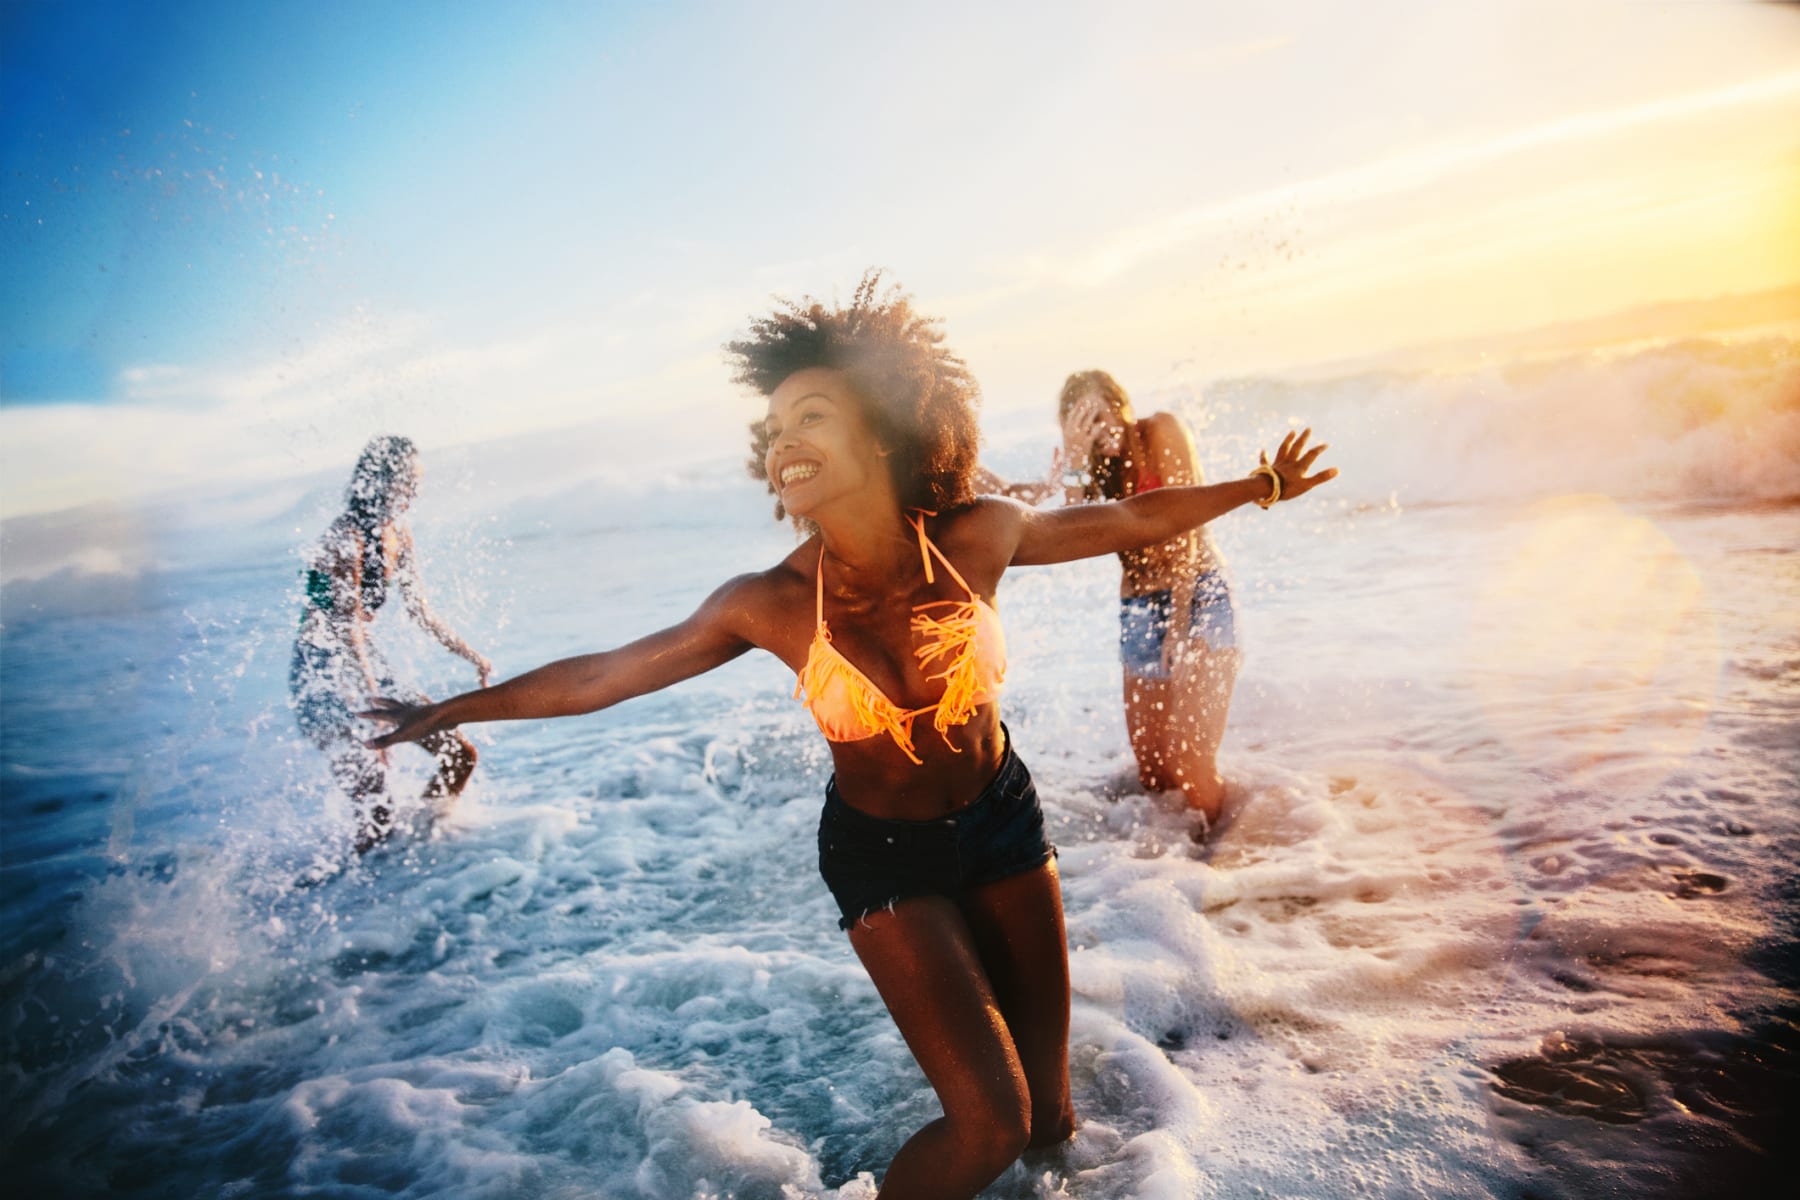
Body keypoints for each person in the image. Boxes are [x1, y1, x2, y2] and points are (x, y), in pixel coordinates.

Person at [361, 275, 1333, 1199]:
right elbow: (605, 674)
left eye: (811, 417)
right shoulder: (770, 604)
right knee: (989, 1125)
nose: (783, 442)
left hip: (1001, 820)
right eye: (773, 429)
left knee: (1049, 1123)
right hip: (883, 858)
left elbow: (1128, 517)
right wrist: (446, 711)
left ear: (881, 434)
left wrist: (1260, 487)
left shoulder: (980, 535)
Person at [985, 371, 1253, 832]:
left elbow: (1186, 525)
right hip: (1140, 609)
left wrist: (1179, 624)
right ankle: (1179, 857)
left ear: (1122, 406)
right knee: (1153, 772)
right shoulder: (1095, 465)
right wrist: (1074, 456)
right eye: (1081, 423)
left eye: (1099, 416)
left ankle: (1232, 856)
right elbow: (1070, 520)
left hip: (1199, 593)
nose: (1097, 431)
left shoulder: (1159, 431)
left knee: (1191, 763)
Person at [290, 434, 493, 853]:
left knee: (458, 755)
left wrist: (471, 654)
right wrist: (372, 710)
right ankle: (363, 890)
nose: (416, 491)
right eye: (408, 481)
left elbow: (420, 610)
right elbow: (346, 631)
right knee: (375, 806)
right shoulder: (345, 537)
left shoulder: (397, 531)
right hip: (321, 674)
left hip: (368, 662)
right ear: (382, 481)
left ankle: (422, 845)